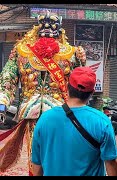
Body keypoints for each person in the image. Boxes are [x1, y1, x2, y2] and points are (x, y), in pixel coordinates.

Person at [0, 11, 86, 175]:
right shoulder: (22, 51)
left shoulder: (71, 52)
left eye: (51, 26)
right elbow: (7, 78)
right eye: (44, 26)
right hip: (32, 113)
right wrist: (2, 101)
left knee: (59, 153)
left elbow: (80, 84)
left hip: (61, 113)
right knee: (35, 153)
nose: (47, 29)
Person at [31, 67, 117, 176]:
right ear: (92, 93)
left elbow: (37, 163)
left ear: (67, 87)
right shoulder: (102, 121)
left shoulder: (44, 119)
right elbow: (111, 162)